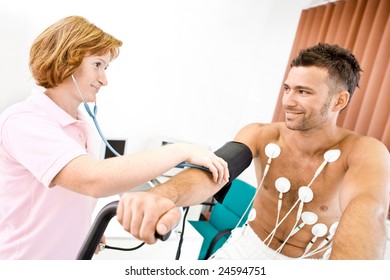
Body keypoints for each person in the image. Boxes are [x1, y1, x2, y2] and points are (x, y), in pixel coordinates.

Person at [117, 43, 390, 259]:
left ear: (339, 101)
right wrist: (162, 196)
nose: (288, 101)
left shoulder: (365, 152)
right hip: (248, 248)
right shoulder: (261, 134)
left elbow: (369, 213)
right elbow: (214, 172)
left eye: (303, 92)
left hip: (312, 260)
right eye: (287, 89)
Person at [0, 15, 229, 260]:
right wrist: (181, 151)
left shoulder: (81, 124)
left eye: (105, 68)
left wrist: (84, 230)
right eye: (97, 65)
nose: (104, 80)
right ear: (66, 60)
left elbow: (73, 192)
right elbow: (93, 180)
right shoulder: (24, 120)